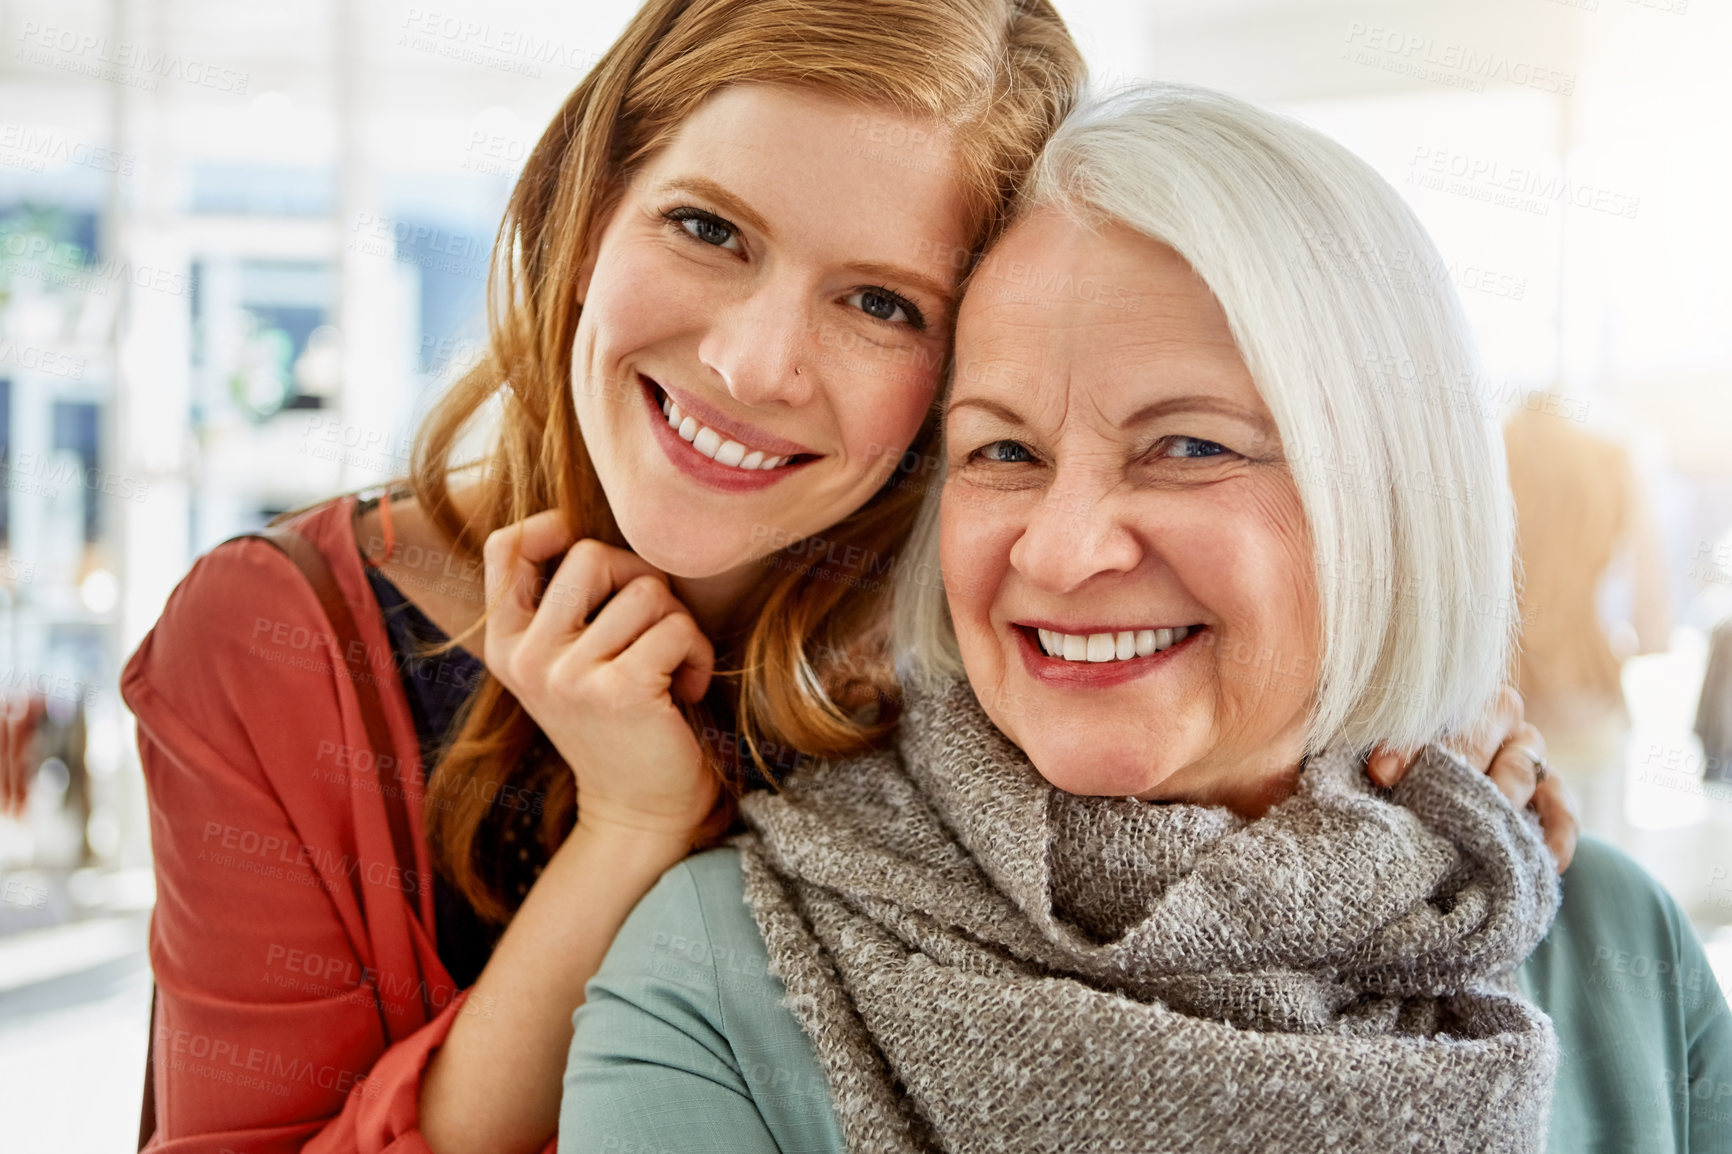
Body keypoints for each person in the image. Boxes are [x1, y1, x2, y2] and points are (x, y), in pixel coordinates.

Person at [560, 84, 1731, 1153]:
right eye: (1002, 449)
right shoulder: (715, 974)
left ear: (1389, 497)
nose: (1064, 552)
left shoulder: (1611, 941)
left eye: (1187, 446)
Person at [121, 3, 1086, 1151]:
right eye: (707, 229)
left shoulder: (1008, 669)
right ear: (586, 216)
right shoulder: (273, 636)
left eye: (881, 304)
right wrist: (628, 823)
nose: (751, 364)